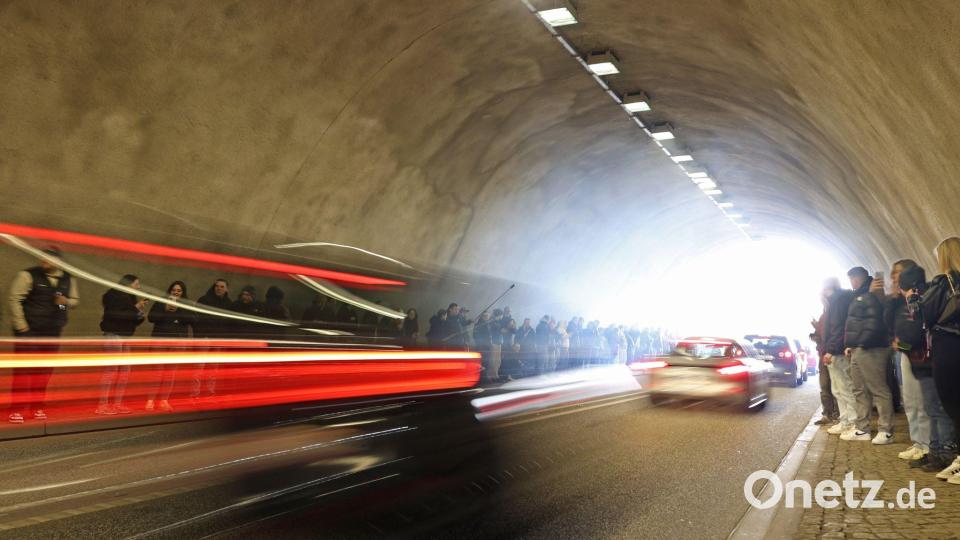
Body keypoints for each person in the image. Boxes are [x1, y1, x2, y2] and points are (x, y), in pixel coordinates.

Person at [898, 263, 957, 475]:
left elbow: (914, 333)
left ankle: (944, 452)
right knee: (932, 410)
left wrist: (901, 346)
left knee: (937, 410)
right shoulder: (929, 295)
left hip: (928, 361)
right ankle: (935, 450)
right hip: (926, 362)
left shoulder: (923, 299)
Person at [8, 247, 79, 423]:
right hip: (29, 332)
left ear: (58, 262)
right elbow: (14, 299)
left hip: (53, 332)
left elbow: (73, 302)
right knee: (24, 371)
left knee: (44, 372)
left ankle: (36, 407)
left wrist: (64, 303)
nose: (43, 262)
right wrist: (21, 326)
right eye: (42, 258)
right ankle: (16, 410)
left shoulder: (69, 279)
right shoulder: (28, 275)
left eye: (47, 259)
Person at [918, 237, 960, 483]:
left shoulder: (944, 282)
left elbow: (926, 315)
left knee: (952, 404)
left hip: (948, 348)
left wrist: (915, 301)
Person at [883, 261, 931, 461]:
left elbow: (920, 334)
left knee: (921, 402)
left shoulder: (919, 298)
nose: (895, 278)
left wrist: (901, 346)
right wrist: (893, 298)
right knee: (910, 400)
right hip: (903, 354)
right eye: (893, 275)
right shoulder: (899, 301)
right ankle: (917, 442)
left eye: (898, 275)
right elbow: (886, 322)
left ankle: (926, 444)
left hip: (917, 355)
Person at [840, 267, 895, 444]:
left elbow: (877, 319)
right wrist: (852, 344)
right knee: (859, 389)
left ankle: (886, 430)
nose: (851, 283)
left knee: (878, 389)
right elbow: (856, 321)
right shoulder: (859, 294)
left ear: (858, 278)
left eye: (852, 279)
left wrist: (862, 342)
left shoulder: (874, 291)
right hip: (858, 347)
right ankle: (862, 429)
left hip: (873, 346)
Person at [97, 274, 147, 415]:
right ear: (129, 283)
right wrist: (135, 308)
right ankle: (102, 405)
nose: (138, 287)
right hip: (114, 334)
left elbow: (130, 317)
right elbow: (115, 315)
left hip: (125, 336)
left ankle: (117, 404)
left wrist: (139, 316)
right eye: (136, 284)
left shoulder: (131, 298)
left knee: (125, 372)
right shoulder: (112, 295)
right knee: (111, 371)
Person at [146, 281, 196, 412]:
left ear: (183, 293)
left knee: (170, 373)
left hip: (178, 341)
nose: (176, 292)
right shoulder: (161, 301)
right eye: (174, 290)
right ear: (170, 290)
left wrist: (178, 309)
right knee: (157, 372)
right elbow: (151, 317)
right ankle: (150, 400)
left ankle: (164, 400)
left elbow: (192, 319)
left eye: (179, 290)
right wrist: (165, 309)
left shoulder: (186, 304)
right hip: (160, 339)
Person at [822, 276, 857, 437]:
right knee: (838, 390)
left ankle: (853, 422)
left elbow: (837, 327)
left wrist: (830, 350)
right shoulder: (835, 302)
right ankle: (845, 421)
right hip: (834, 350)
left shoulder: (837, 302)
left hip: (837, 352)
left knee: (845, 388)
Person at [193, 278, 232, 399]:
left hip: (219, 339)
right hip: (205, 337)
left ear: (226, 289)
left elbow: (229, 323)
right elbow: (196, 318)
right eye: (217, 286)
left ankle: (209, 392)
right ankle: (195, 393)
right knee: (199, 368)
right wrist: (200, 336)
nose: (219, 288)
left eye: (221, 287)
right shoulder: (204, 300)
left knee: (214, 369)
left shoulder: (229, 304)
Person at [810, 278, 840, 425]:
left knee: (837, 387)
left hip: (832, 353)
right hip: (823, 354)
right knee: (825, 386)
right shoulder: (825, 313)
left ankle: (839, 415)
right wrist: (816, 331)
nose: (822, 295)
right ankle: (828, 414)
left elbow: (834, 333)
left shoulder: (836, 310)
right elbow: (823, 333)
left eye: (825, 291)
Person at [472, 311, 495, 381]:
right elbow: (475, 336)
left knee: (485, 362)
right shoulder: (480, 324)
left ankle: (484, 377)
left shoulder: (486, 324)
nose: (487, 317)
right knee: (483, 362)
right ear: (483, 316)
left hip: (485, 346)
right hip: (482, 346)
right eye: (486, 316)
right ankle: (483, 378)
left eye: (488, 316)